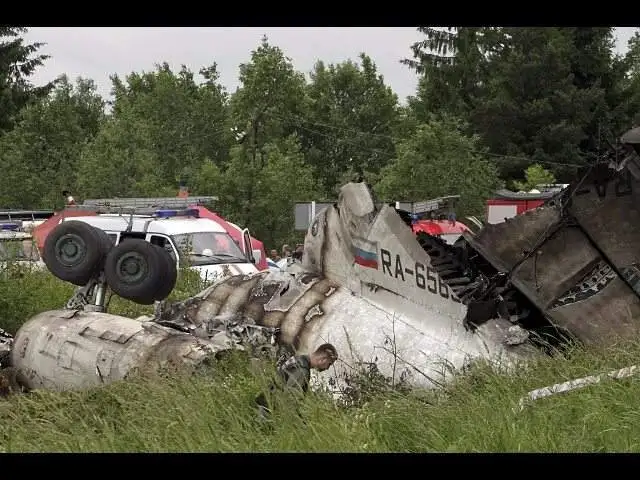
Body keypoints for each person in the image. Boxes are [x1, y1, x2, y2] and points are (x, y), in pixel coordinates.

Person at [255, 343, 338, 420]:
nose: (327, 368)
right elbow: (291, 400)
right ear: (323, 359)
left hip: (266, 403)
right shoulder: (302, 370)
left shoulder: (298, 359)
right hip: (269, 411)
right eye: (329, 364)